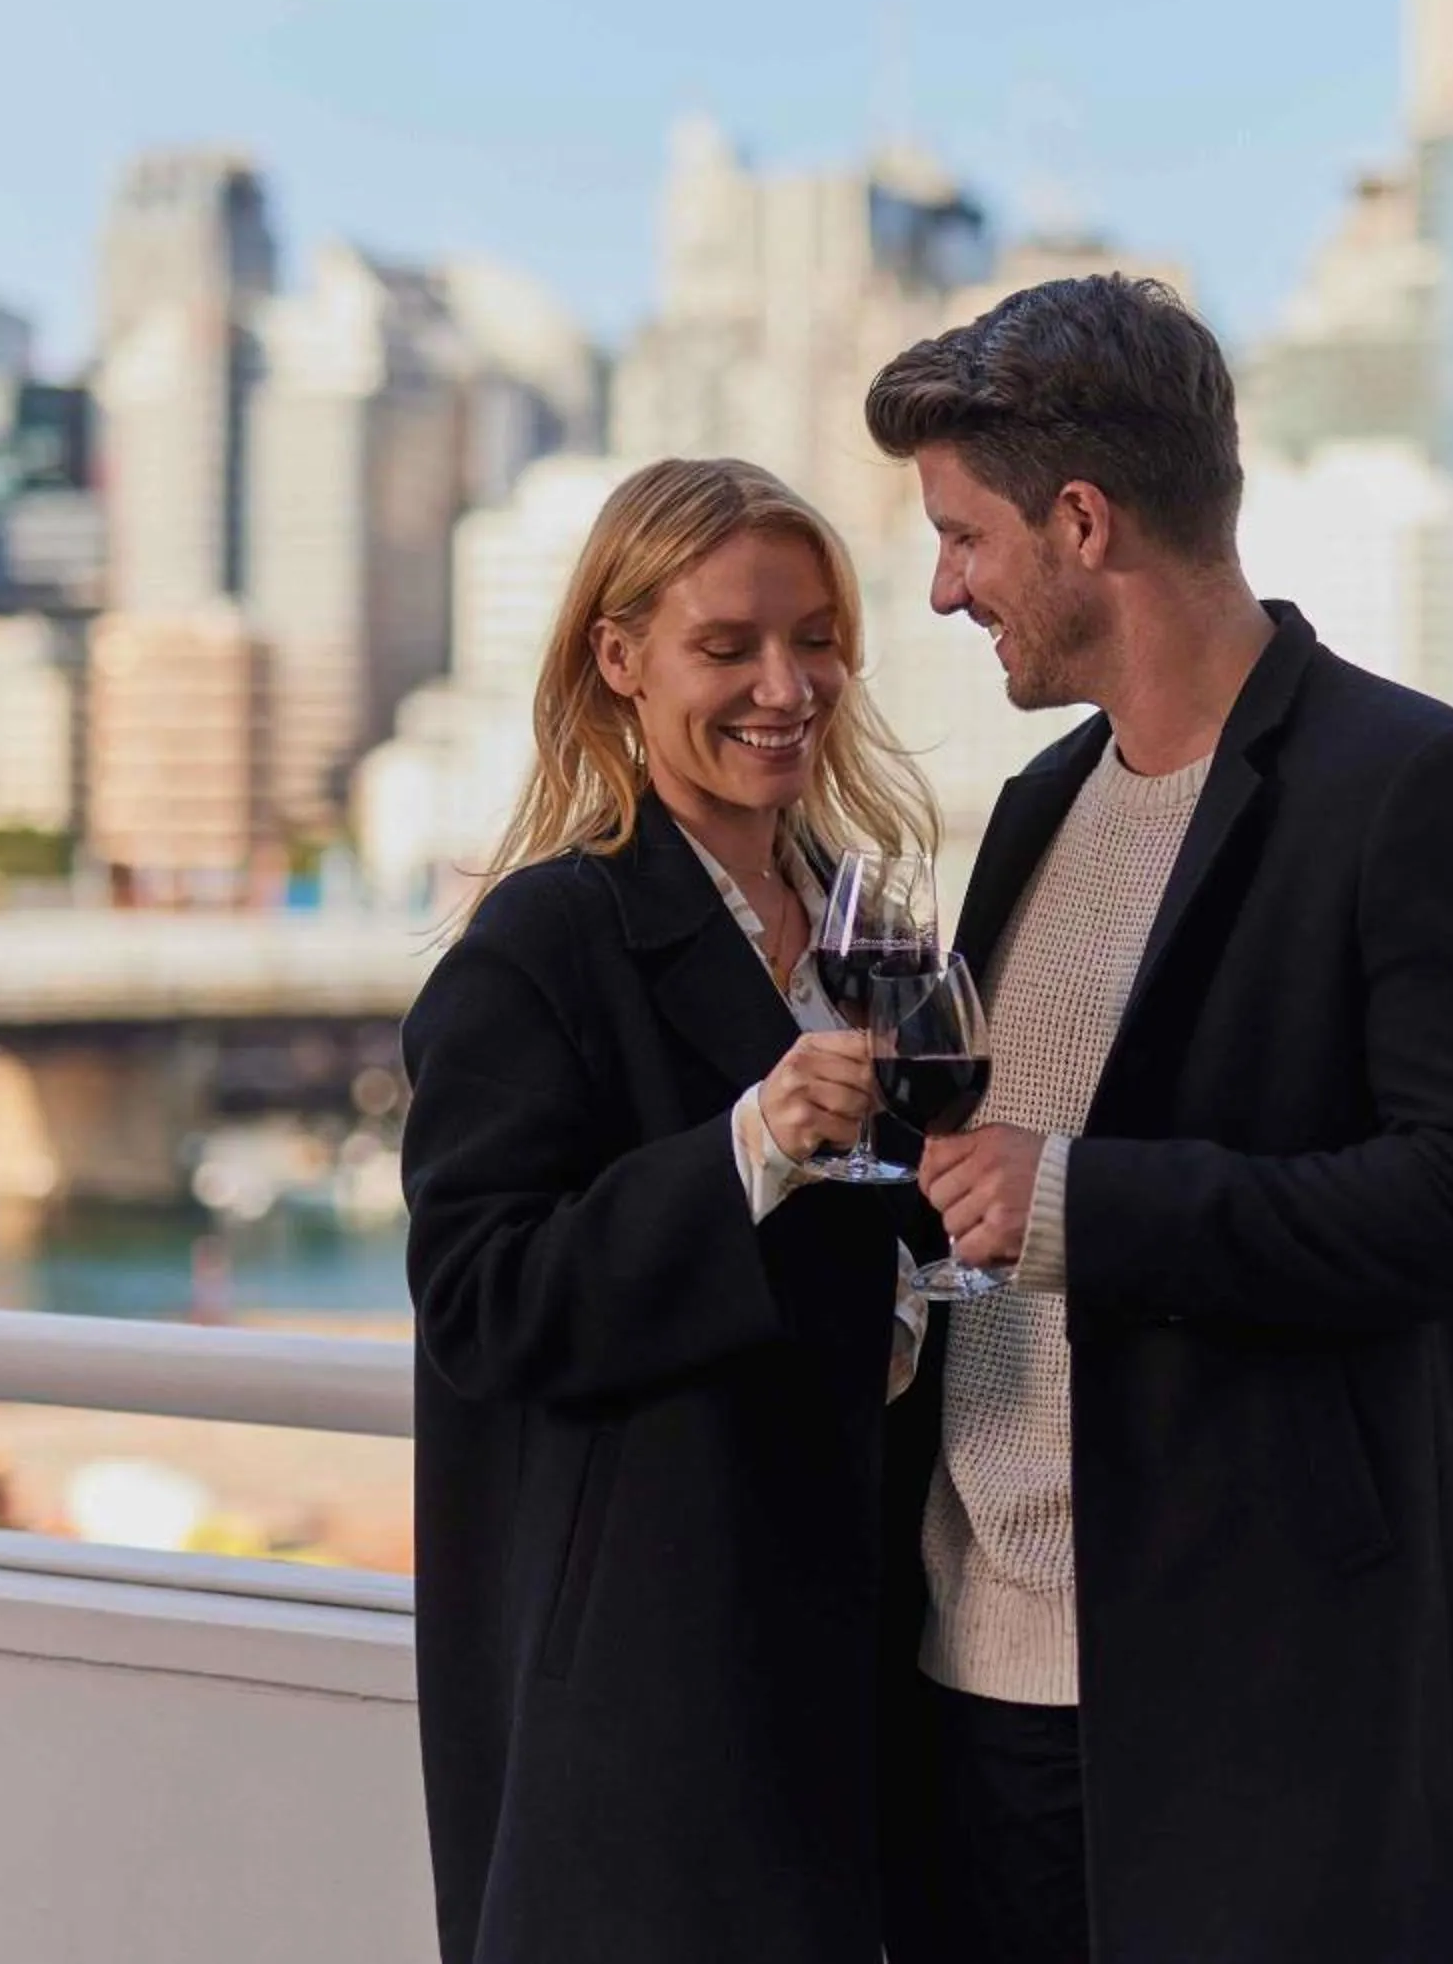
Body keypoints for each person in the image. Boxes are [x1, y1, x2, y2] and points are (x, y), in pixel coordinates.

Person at [865, 277, 1453, 1963]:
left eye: (965, 537)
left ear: (1083, 521)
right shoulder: (1038, 806)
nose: (944, 584)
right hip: (969, 1703)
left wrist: (1083, 1205)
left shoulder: (1425, 786)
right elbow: (979, 1188)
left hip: (1256, 1735)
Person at [398, 456, 940, 1964]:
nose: (788, 683)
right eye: (731, 645)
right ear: (617, 659)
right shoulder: (542, 944)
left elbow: (903, 1248)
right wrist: (750, 1143)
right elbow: (481, 1299)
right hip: (646, 1704)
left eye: (818, 637)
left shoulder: (865, 932)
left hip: (861, 1673)